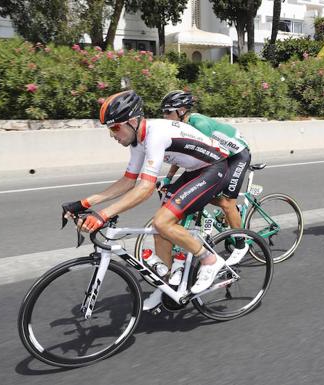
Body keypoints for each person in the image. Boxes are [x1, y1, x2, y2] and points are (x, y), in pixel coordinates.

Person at [62, 90, 232, 310]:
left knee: (163, 222)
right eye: (109, 130)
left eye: (115, 127)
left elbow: (145, 188)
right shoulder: (137, 141)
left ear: (132, 121)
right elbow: (128, 181)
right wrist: (85, 203)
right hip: (194, 170)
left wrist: (103, 214)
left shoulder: (155, 135)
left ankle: (211, 260)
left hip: (214, 168)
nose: (113, 135)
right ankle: (169, 288)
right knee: (159, 232)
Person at [159, 90, 252, 261]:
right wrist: (168, 178)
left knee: (227, 203)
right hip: (219, 156)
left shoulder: (199, 125)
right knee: (198, 190)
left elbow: (212, 156)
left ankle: (241, 244)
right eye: (163, 112)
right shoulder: (182, 126)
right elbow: (184, 155)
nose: (165, 116)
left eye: (168, 112)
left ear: (181, 111)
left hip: (236, 156)